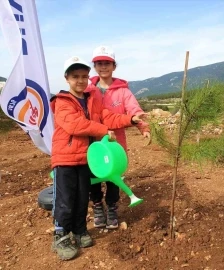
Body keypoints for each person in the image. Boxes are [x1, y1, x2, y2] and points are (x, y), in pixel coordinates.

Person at [51, 56, 146, 260]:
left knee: (82, 198)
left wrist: (130, 119)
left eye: (84, 76)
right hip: (65, 158)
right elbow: (75, 125)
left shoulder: (92, 99)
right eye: (75, 76)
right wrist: (103, 129)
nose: (81, 80)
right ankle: (60, 235)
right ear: (66, 78)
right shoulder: (62, 101)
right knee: (66, 200)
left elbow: (108, 116)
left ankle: (79, 230)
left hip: (86, 158)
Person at [87, 45, 150, 229]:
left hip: (115, 143)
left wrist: (143, 128)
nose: (103, 66)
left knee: (115, 176)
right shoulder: (90, 89)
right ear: (95, 66)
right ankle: (98, 206)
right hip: (94, 141)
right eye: (99, 63)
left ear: (114, 66)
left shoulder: (123, 91)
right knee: (94, 174)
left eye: (107, 63)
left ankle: (112, 207)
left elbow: (134, 111)